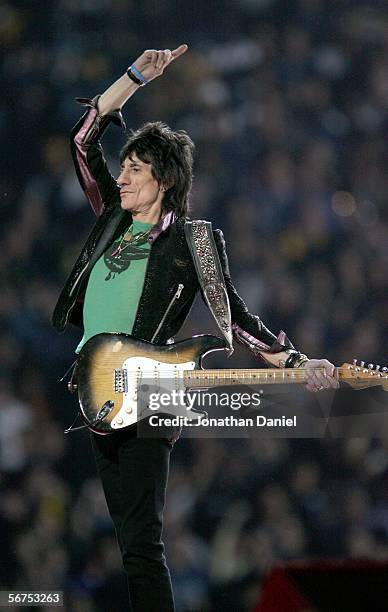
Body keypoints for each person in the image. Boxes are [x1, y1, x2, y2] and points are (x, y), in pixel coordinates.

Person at [52, 45, 338, 611]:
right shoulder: (112, 215)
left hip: (148, 392)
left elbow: (234, 311)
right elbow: (84, 141)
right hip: (97, 392)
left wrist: (300, 363)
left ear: (164, 180)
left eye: (136, 169)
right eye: (125, 167)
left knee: (141, 546)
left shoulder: (192, 241)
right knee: (131, 543)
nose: (124, 176)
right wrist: (133, 78)